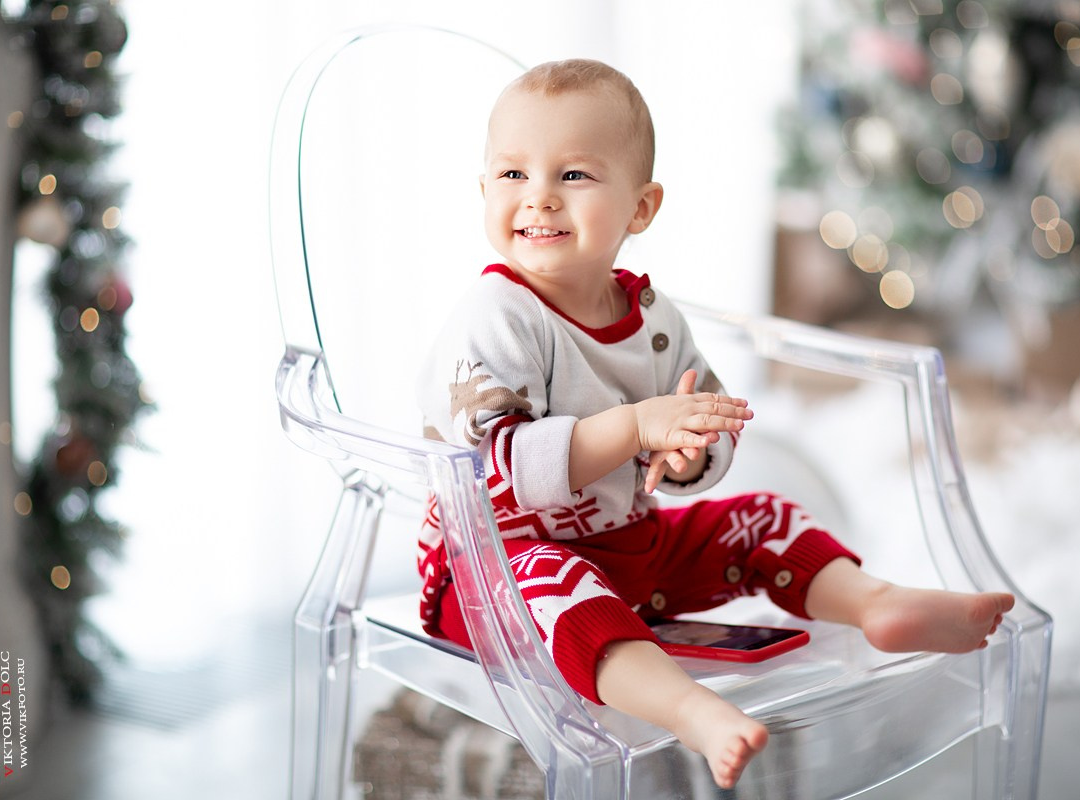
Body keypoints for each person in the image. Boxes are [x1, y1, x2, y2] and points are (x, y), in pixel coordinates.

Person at [415, 58, 1015, 790]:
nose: (538, 198)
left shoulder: (654, 321)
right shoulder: (496, 318)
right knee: (560, 580)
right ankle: (688, 709)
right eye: (512, 176)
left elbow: (710, 411)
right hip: (494, 577)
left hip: (628, 547)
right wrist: (638, 426)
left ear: (640, 209)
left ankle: (876, 603)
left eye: (572, 176)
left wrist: (693, 450)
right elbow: (508, 467)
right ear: (484, 190)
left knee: (763, 517)